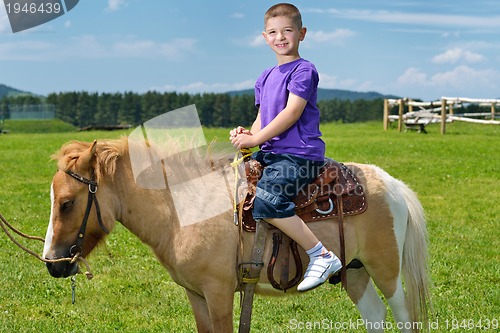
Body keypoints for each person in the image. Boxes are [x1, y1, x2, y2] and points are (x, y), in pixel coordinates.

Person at [230, 3, 341, 292]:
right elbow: (262, 118)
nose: (280, 37)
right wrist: (247, 134)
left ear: (302, 33)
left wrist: (255, 140)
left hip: (299, 155)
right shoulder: (265, 77)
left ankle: (321, 254)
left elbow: (291, 113)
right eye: (273, 32)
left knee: (266, 198)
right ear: (264, 37)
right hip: (272, 154)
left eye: (287, 31)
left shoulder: (304, 70)